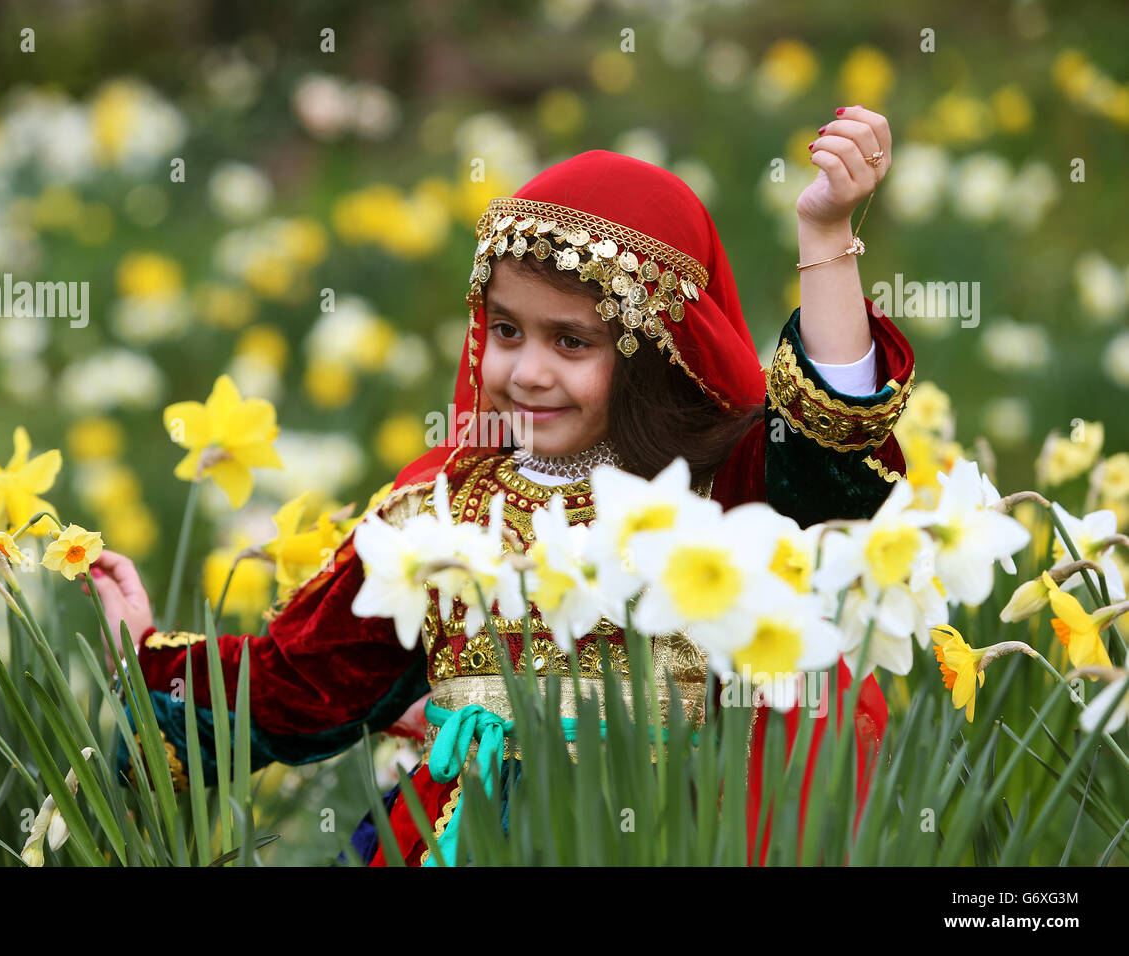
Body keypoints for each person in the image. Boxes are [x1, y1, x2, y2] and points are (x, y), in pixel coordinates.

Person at [91, 111, 913, 866]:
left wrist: (825, 232)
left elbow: (833, 455)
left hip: (664, 837)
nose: (525, 373)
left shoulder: (711, 492)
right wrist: (144, 657)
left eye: (572, 342)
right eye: (508, 330)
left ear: (651, 350)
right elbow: (298, 685)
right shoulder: (441, 504)